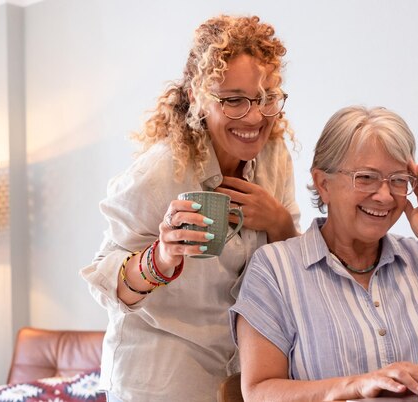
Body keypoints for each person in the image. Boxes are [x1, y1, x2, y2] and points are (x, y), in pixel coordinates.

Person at [80, 15, 300, 402]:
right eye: (233, 100)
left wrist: (280, 224)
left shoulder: (274, 158)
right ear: (199, 96)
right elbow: (106, 282)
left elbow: (291, 273)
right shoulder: (161, 171)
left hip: (242, 374)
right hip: (162, 379)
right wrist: (162, 257)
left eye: (266, 99)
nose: (253, 116)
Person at [230, 106, 418, 401]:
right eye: (366, 178)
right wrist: (355, 386)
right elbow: (258, 391)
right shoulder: (275, 268)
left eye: (399, 180)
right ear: (323, 184)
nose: (385, 196)